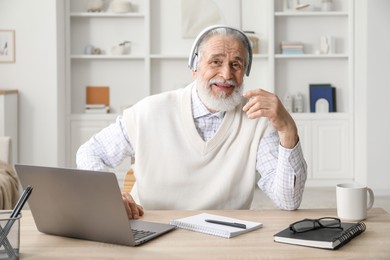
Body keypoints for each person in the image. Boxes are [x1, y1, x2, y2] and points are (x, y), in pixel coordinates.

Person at [77, 25, 307, 219]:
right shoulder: (150, 111)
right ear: (195, 68)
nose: (226, 74)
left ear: (244, 72)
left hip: (224, 238)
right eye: (216, 62)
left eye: (236, 64)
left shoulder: (257, 121)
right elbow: (90, 152)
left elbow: (288, 200)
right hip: (151, 228)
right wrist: (108, 195)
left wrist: (288, 129)